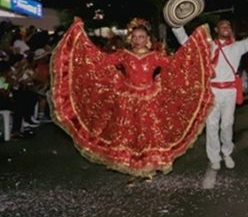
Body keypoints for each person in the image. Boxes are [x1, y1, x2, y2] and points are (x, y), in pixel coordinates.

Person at [50, 18, 213, 176]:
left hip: (150, 98)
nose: (138, 40)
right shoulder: (123, 55)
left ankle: (148, 165)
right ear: (130, 38)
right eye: (135, 37)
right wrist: (81, 43)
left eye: (141, 37)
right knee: (126, 133)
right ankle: (131, 164)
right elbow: (100, 62)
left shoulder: (155, 56)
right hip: (126, 98)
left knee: (149, 132)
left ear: (147, 39)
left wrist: (193, 49)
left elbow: (175, 65)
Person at [172, 7, 248, 170]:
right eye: (223, 25)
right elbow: (187, 44)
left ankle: (227, 152)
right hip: (212, 91)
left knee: (227, 124)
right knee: (212, 125)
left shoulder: (237, 47)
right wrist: (177, 25)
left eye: (228, 26)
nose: (226, 27)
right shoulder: (207, 47)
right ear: (216, 30)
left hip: (229, 92)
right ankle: (214, 157)